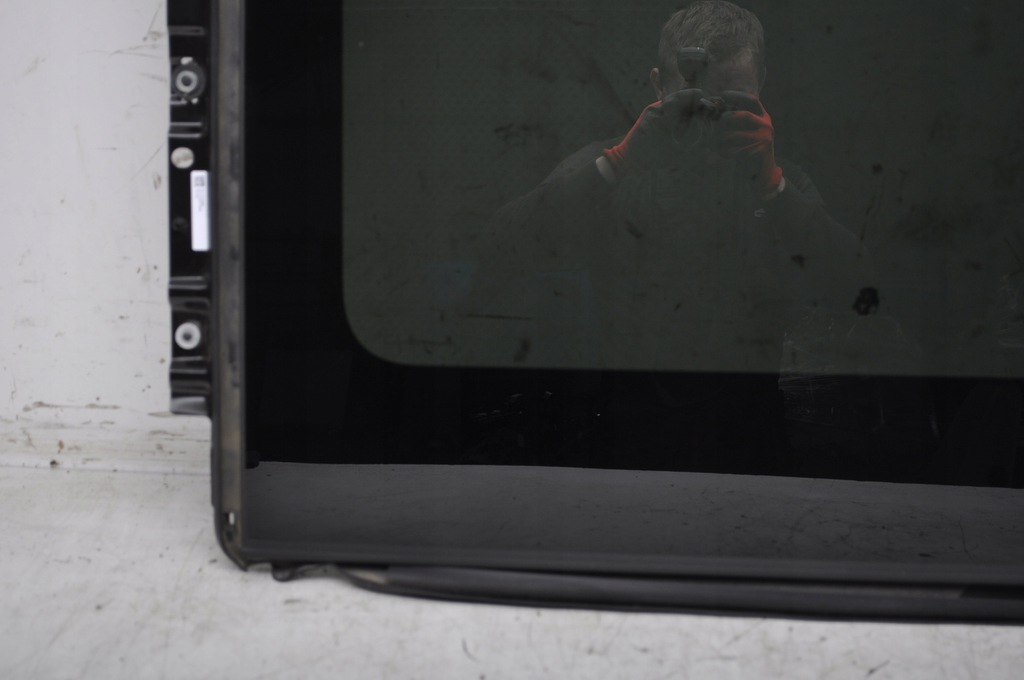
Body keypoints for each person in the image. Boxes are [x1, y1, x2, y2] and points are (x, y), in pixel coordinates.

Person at [463, 1, 874, 472]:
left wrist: (771, 187)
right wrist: (619, 164)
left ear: (761, 85)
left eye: (729, 103)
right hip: (626, 440)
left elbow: (860, 290)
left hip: (745, 443)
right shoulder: (615, 164)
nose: (709, 119)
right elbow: (499, 250)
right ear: (658, 86)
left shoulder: (781, 181)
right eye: (694, 104)